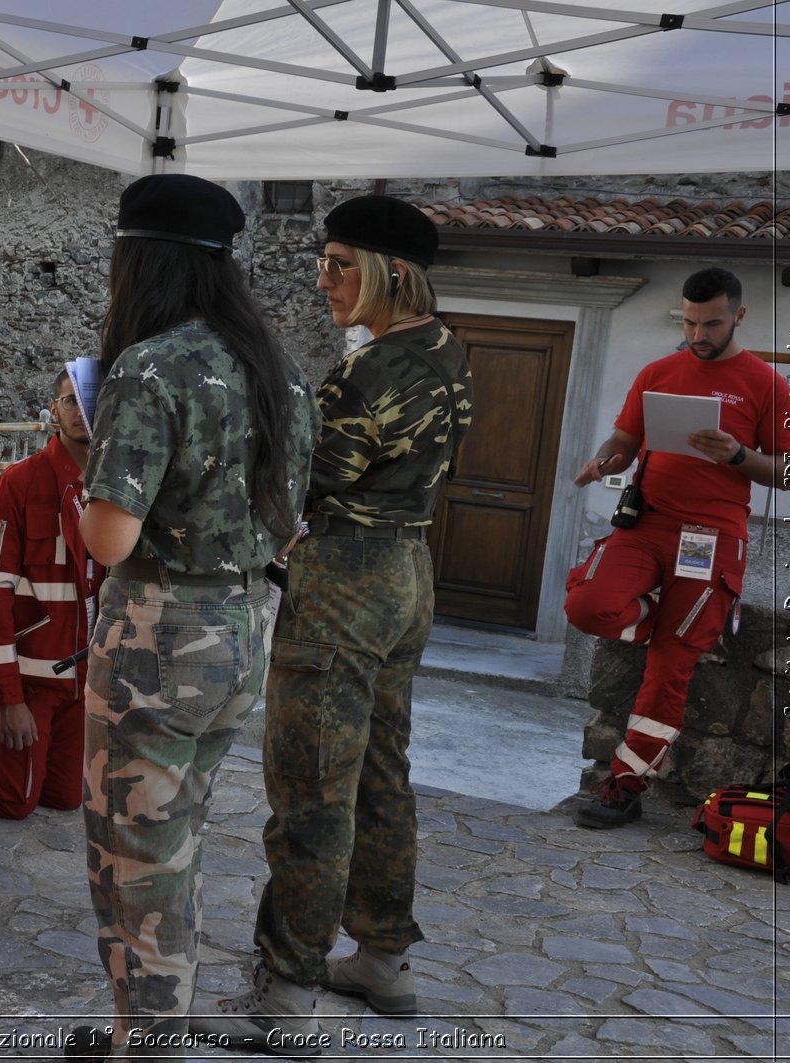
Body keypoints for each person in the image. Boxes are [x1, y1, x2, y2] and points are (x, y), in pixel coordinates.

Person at [192, 194, 473, 1050]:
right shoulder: (447, 348)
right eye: (323, 262)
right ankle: (381, 958)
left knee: (311, 788)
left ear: (393, 272)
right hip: (407, 569)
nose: (325, 279)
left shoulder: (373, 369)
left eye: (341, 264)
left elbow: (308, 475)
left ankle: (284, 996)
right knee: (381, 771)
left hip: (350, 575)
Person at [69, 174, 316, 1060]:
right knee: (176, 840)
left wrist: (80, 464)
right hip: (243, 623)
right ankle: (151, 1023)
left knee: (135, 854)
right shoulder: (274, 366)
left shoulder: (151, 365)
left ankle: (150, 1039)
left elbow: (108, 538)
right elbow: (291, 518)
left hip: (159, 635)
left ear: (138, 261)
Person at [566, 267, 790, 828]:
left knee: (671, 666)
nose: (699, 333)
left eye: (712, 323)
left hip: (713, 540)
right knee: (588, 605)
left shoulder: (770, 385)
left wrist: (736, 455)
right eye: (691, 321)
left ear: (738, 317)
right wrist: (606, 460)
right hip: (646, 524)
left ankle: (624, 786)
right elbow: (624, 439)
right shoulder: (658, 371)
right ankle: (655, 615)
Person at [0, 370, 101, 819]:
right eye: (71, 401)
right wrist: (9, 698)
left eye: (95, 401)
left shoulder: (117, 488)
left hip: (82, 682)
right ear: (53, 410)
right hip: (29, 682)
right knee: (7, 801)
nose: (84, 412)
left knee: (64, 797)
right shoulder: (21, 483)